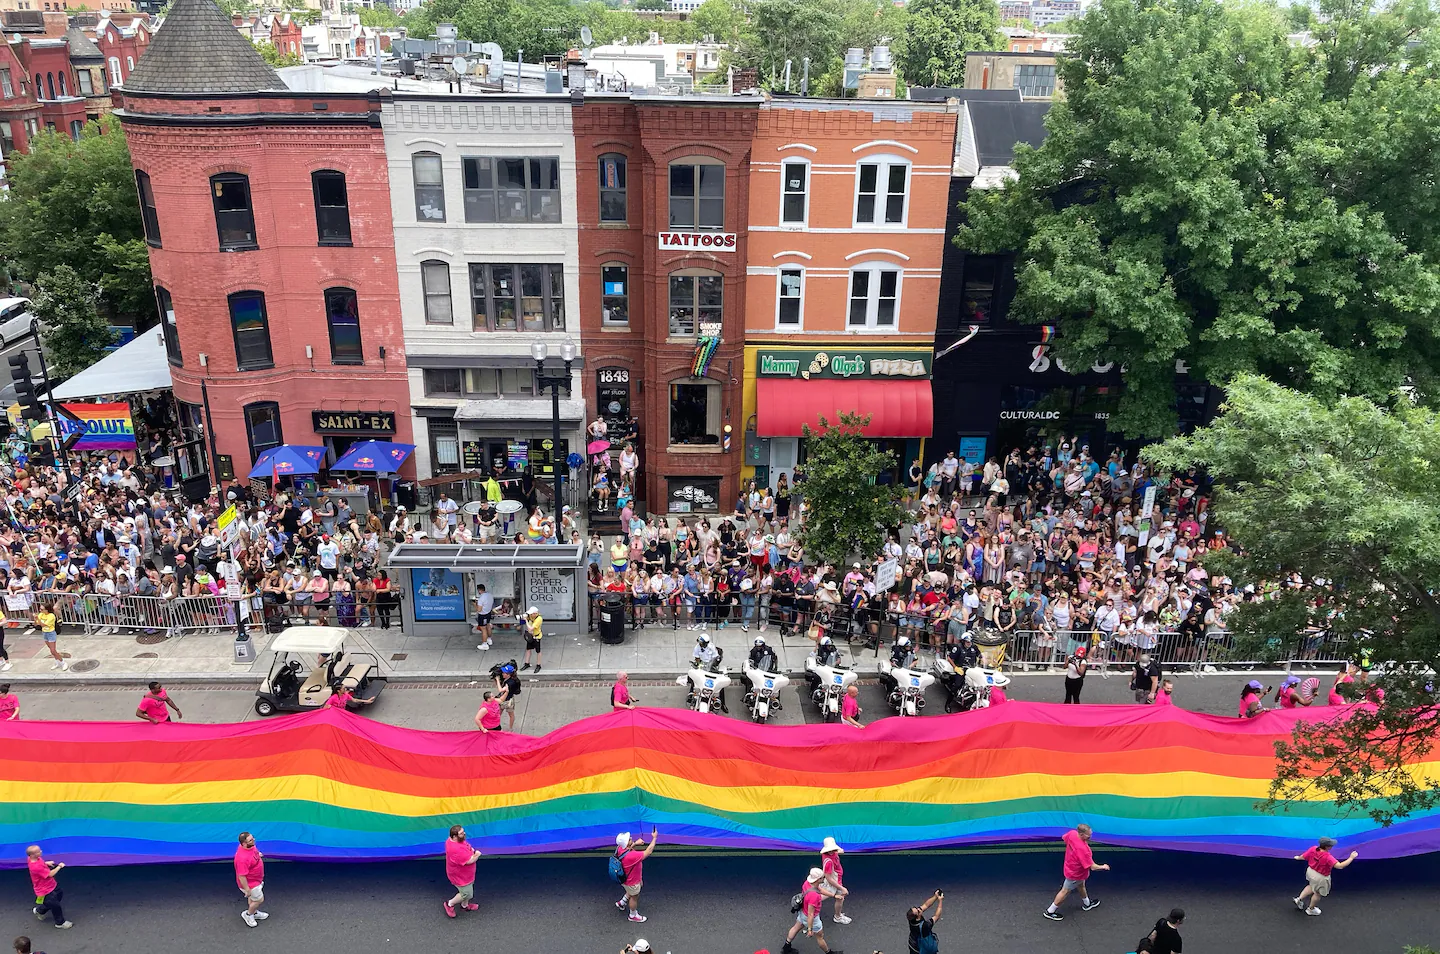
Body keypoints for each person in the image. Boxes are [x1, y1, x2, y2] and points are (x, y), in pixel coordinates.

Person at [1043, 823, 1108, 920]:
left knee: (1081, 885)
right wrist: (1103, 866)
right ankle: (1050, 911)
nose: (1090, 836)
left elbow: (1064, 838)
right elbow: (1093, 867)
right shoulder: (1084, 849)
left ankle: (1087, 903)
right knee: (1065, 891)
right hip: (1075, 874)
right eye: (1088, 835)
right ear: (1082, 834)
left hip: (1071, 867)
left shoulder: (1072, 834)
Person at [1293, 836, 1357, 915]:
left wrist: (1298, 857)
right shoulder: (1328, 857)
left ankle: (1299, 899)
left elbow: (1303, 856)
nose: (1332, 846)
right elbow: (1340, 866)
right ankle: (1310, 909)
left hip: (1310, 871)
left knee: (1311, 885)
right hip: (1321, 877)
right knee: (1317, 893)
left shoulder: (1313, 849)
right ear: (1327, 847)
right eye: (1331, 845)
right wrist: (1351, 858)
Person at [781, 868, 834, 954]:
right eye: (822, 877)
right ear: (818, 880)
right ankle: (828, 952)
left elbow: (819, 890)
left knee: (795, 928)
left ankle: (786, 946)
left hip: (802, 912)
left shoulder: (807, 883)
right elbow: (811, 914)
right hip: (811, 918)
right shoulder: (814, 896)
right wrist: (810, 929)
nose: (824, 878)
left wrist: (833, 895)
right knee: (820, 937)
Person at [614, 828, 659, 923]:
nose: (631, 838)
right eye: (629, 839)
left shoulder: (619, 848)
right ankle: (633, 915)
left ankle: (622, 903)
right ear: (626, 843)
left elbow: (627, 848)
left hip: (625, 879)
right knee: (634, 896)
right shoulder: (632, 856)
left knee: (630, 890)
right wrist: (654, 838)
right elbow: (648, 851)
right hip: (632, 881)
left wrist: (635, 844)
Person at [26, 845, 70, 929]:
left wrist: (46, 863)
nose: (41, 852)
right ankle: (60, 923)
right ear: (32, 855)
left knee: (59, 895)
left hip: (51, 884)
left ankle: (40, 910)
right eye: (38, 852)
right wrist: (59, 866)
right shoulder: (36, 867)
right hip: (45, 890)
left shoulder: (34, 859)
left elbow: (40, 863)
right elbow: (50, 874)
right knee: (56, 905)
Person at [443, 825, 482, 918]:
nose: (464, 834)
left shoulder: (453, 840)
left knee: (468, 889)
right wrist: (477, 854)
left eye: (463, 831)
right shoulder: (455, 849)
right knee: (466, 893)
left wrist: (470, 849)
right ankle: (450, 904)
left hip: (466, 874)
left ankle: (464, 905)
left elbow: (465, 845)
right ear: (454, 836)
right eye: (461, 833)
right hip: (460, 876)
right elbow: (470, 861)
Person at [234, 832, 268, 928]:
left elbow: (253, 852)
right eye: (250, 840)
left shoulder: (250, 846)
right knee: (259, 900)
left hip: (256, 879)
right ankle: (249, 914)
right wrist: (247, 889)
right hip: (251, 884)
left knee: (253, 899)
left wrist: (257, 854)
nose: (253, 841)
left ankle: (254, 911)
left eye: (253, 838)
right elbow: (241, 876)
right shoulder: (242, 859)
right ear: (244, 843)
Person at [818, 837, 850, 924]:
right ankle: (838, 917)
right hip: (834, 882)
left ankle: (808, 902)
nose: (833, 851)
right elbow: (828, 878)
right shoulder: (828, 862)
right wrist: (842, 888)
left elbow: (840, 851)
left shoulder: (830, 853)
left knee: (825, 895)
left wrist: (837, 850)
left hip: (837, 879)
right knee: (836, 897)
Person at [906, 890, 943, 954]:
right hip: (921, 949)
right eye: (917, 910)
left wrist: (935, 896)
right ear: (918, 916)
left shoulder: (911, 919)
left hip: (913, 945)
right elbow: (937, 916)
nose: (919, 908)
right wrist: (940, 901)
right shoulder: (924, 926)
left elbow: (926, 905)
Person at [34, 602, 64, 672]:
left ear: (46, 610)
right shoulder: (41, 614)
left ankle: (62, 662)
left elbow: (43, 625)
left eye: (42, 609)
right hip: (45, 633)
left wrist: (37, 619)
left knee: (53, 650)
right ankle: (57, 662)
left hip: (51, 633)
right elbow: (36, 624)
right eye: (40, 609)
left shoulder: (51, 616)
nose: (40, 611)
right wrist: (35, 619)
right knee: (51, 650)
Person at [494, 663, 521, 731]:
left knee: (500, 714)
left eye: (504, 673)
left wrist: (497, 680)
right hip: (510, 700)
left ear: (508, 674)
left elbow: (500, 690)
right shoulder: (513, 679)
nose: (502, 674)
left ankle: (506, 728)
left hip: (505, 701)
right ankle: (510, 728)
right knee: (509, 714)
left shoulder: (509, 683)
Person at [521, 606, 544, 673]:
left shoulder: (539, 619)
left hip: (537, 637)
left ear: (535, 613)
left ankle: (538, 665)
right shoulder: (530, 616)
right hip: (530, 636)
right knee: (528, 649)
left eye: (531, 614)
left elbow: (530, 628)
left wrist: (526, 620)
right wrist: (523, 617)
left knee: (538, 651)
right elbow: (521, 621)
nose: (530, 615)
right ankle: (527, 663)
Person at [474, 584, 495, 651]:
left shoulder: (481, 599)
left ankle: (484, 644)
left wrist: (475, 605)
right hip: (488, 613)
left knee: (483, 629)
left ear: (479, 590)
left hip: (482, 615)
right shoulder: (490, 595)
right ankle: (489, 639)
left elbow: (479, 609)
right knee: (488, 625)